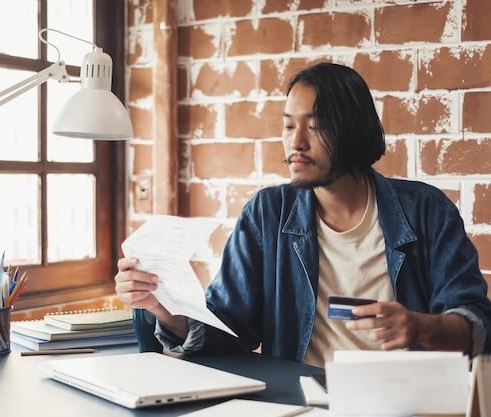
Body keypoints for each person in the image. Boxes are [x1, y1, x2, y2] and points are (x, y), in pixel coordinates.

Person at [114, 62, 491, 367]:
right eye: (289, 125)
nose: (296, 142)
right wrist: (162, 308)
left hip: (404, 402)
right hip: (299, 401)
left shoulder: (426, 210)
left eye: (315, 126)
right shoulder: (267, 213)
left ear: (353, 131)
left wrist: (420, 326)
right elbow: (229, 330)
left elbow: (476, 326)